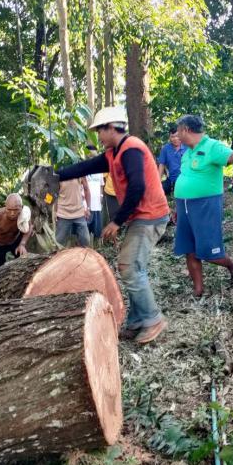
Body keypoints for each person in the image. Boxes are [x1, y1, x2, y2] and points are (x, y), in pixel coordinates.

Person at [57, 105, 170, 345]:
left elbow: (137, 188)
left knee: (129, 267)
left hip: (150, 216)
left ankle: (153, 319)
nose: (98, 136)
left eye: (100, 131)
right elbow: (85, 167)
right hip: (141, 216)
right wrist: (56, 175)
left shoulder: (131, 149)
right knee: (132, 266)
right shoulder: (113, 153)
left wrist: (116, 221)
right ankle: (137, 321)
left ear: (111, 128)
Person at [174, 115, 233, 297]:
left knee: (209, 250)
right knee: (189, 249)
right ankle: (198, 290)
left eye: (178, 131)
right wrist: (177, 208)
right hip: (184, 205)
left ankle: (232, 265)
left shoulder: (212, 146)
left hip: (205, 205)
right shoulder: (187, 152)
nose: (177, 135)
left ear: (186, 130)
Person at [55, 177, 92, 248]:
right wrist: (54, 212)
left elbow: (86, 189)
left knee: (85, 241)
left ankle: (80, 253)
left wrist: (88, 208)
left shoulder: (80, 173)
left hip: (79, 213)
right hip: (63, 214)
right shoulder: (59, 174)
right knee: (59, 243)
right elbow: (53, 194)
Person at [157, 125, 186, 195]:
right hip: (171, 179)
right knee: (158, 191)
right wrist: (158, 181)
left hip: (185, 179)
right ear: (169, 137)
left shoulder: (187, 147)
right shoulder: (165, 149)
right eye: (172, 137)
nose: (175, 139)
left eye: (177, 136)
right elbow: (161, 165)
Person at [85, 147, 104, 241]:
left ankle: (96, 247)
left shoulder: (99, 169)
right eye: (91, 156)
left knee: (97, 230)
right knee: (85, 230)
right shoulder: (83, 169)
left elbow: (101, 185)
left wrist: (101, 196)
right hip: (87, 205)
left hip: (97, 203)